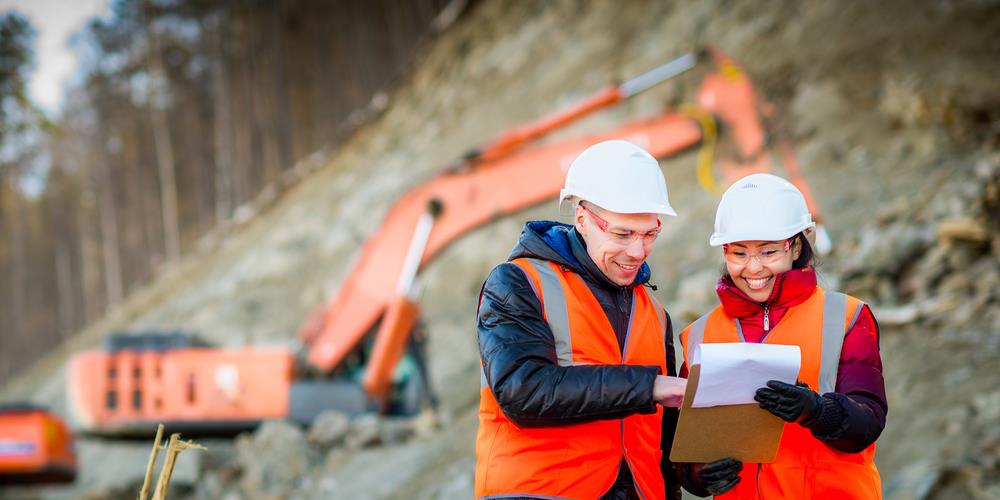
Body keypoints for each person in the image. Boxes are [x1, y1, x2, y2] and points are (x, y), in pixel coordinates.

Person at [474, 140, 691, 499]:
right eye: (622, 234)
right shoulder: (518, 282)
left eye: (650, 234)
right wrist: (646, 386)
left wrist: (695, 473)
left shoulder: (654, 315)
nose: (638, 252)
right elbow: (522, 391)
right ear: (582, 219)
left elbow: (660, 441)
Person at [676, 173, 887, 498]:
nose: (754, 268)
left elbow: (868, 423)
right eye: (739, 253)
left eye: (768, 252)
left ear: (796, 246)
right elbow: (683, 443)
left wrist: (817, 411)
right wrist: (699, 473)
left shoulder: (845, 317)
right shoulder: (700, 335)